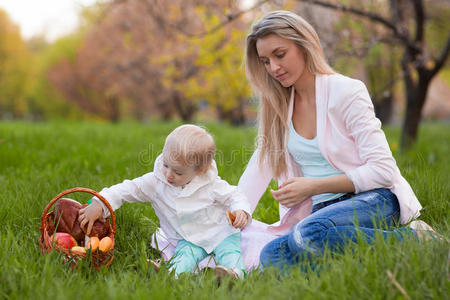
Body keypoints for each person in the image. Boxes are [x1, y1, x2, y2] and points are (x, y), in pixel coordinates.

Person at [237, 10, 436, 271]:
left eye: (280, 54)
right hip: (321, 211)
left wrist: (313, 186)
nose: (273, 68)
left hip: (372, 199)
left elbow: (384, 171)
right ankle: (350, 266)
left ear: (304, 45)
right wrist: (236, 210)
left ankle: (415, 238)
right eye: (265, 61)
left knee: (305, 236)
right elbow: (259, 168)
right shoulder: (279, 105)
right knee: (270, 258)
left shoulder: (347, 91)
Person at [79, 124, 251, 279]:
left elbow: (235, 195)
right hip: (188, 237)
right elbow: (127, 190)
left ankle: (233, 275)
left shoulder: (211, 184)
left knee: (230, 251)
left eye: (177, 172)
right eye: (166, 164)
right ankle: (170, 275)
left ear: (200, 171)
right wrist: (100, 203)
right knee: (184, 255)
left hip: (220, 232)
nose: (168, 174)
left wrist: (240, 210)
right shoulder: (156, 182)